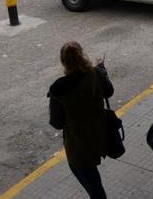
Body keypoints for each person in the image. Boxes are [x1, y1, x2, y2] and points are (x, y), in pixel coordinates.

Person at [48, 41, 113, 199]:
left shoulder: (59, 88)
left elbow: (57, 122)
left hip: (78, 145)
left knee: (94, 187)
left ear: (64, 62)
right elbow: (109, 91)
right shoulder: (95, 74)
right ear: (82, 55)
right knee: (95, 185)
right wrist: (101, 69)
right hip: (99, 135)